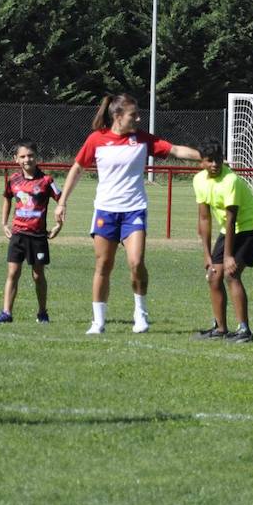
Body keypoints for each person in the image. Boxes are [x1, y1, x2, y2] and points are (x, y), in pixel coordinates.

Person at [55, 94, 200, 334]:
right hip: (105, 211)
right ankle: (98, 321)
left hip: (134, 210)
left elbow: (174, 149)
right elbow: (78, 168)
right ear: (118, 116)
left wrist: (206, 157)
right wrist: (62, 203)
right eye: (134, 114)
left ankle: (140, 315)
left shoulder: (142, 139)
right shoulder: (96, 140)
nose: (139, 118)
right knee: (103, 265)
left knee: (136, 262)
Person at [192, 141, 253, 342]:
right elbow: (204, 218)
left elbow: (232, 218)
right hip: (229, 230)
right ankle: (220, 328)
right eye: (210, 161)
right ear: (201, 163)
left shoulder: (230, 180)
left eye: (218, 159)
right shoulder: (199, 180)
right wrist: (207, 254)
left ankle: (244, 331)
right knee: (213, 276)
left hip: (250, 226)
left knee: (231, 274)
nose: (215, 164)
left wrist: (228, 256)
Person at [0, 141, 62, 325]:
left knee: (38, 275)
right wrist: (4, 223)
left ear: (36, 157)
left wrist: (58, 224)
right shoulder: (13, 180)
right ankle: (6, 313)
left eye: (30, 155)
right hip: (18, 234)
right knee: (13, 272)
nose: (27, 159)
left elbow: (61, 200)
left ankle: (42, 312)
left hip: (38, 236)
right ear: (16, 159)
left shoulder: (47, 181)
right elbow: (6, 198)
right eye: (22, 156)